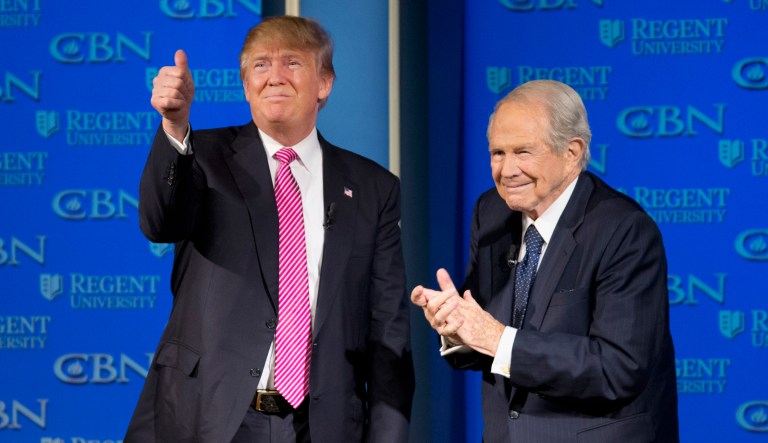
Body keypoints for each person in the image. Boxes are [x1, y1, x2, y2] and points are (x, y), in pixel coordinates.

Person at [126, 16, 414, 443]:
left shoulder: (373, 188)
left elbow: (388, 326)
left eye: (292, 62)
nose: (275, 76)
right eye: (260, 65)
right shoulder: (202, 158)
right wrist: (173, 127)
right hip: (211, 418)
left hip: (322, 426)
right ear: (246, 86)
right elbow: (161, 222)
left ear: (325, 83)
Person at [411, 80, 678, 442]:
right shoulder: (491, 213)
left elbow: (617, 368)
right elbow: (487, 337)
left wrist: (497, 338)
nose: (507, 170)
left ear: (571, 153)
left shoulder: (624, 231)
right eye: (498, 153)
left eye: (523, 152)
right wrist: (458, 327)